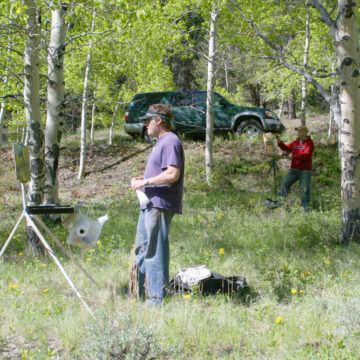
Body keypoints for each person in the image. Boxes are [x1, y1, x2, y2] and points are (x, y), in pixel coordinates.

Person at [131, 104, 185, 305]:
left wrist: (145, 182)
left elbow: (172, 174)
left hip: (159, 205)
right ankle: (136, 296)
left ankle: (156, 301)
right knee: (142, 251)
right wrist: (143, 180)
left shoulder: (170, 141)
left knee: (154, 252)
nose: (145, 125)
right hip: (149, 204)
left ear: (159, 120)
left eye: (148, 120)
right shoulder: (161, 142)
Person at [275, 125, 314, 211]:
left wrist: (294, 157)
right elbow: (286, 148)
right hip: (293, 170)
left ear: (305, 132)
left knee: (305, 188)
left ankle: (305, 207)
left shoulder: (310, 143)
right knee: (284, 185)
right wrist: (279, 141)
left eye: (300, 131)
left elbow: (306, 155)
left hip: (305, 170)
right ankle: (281, 204)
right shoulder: (295, 142)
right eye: (298, 131)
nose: (298, 133)